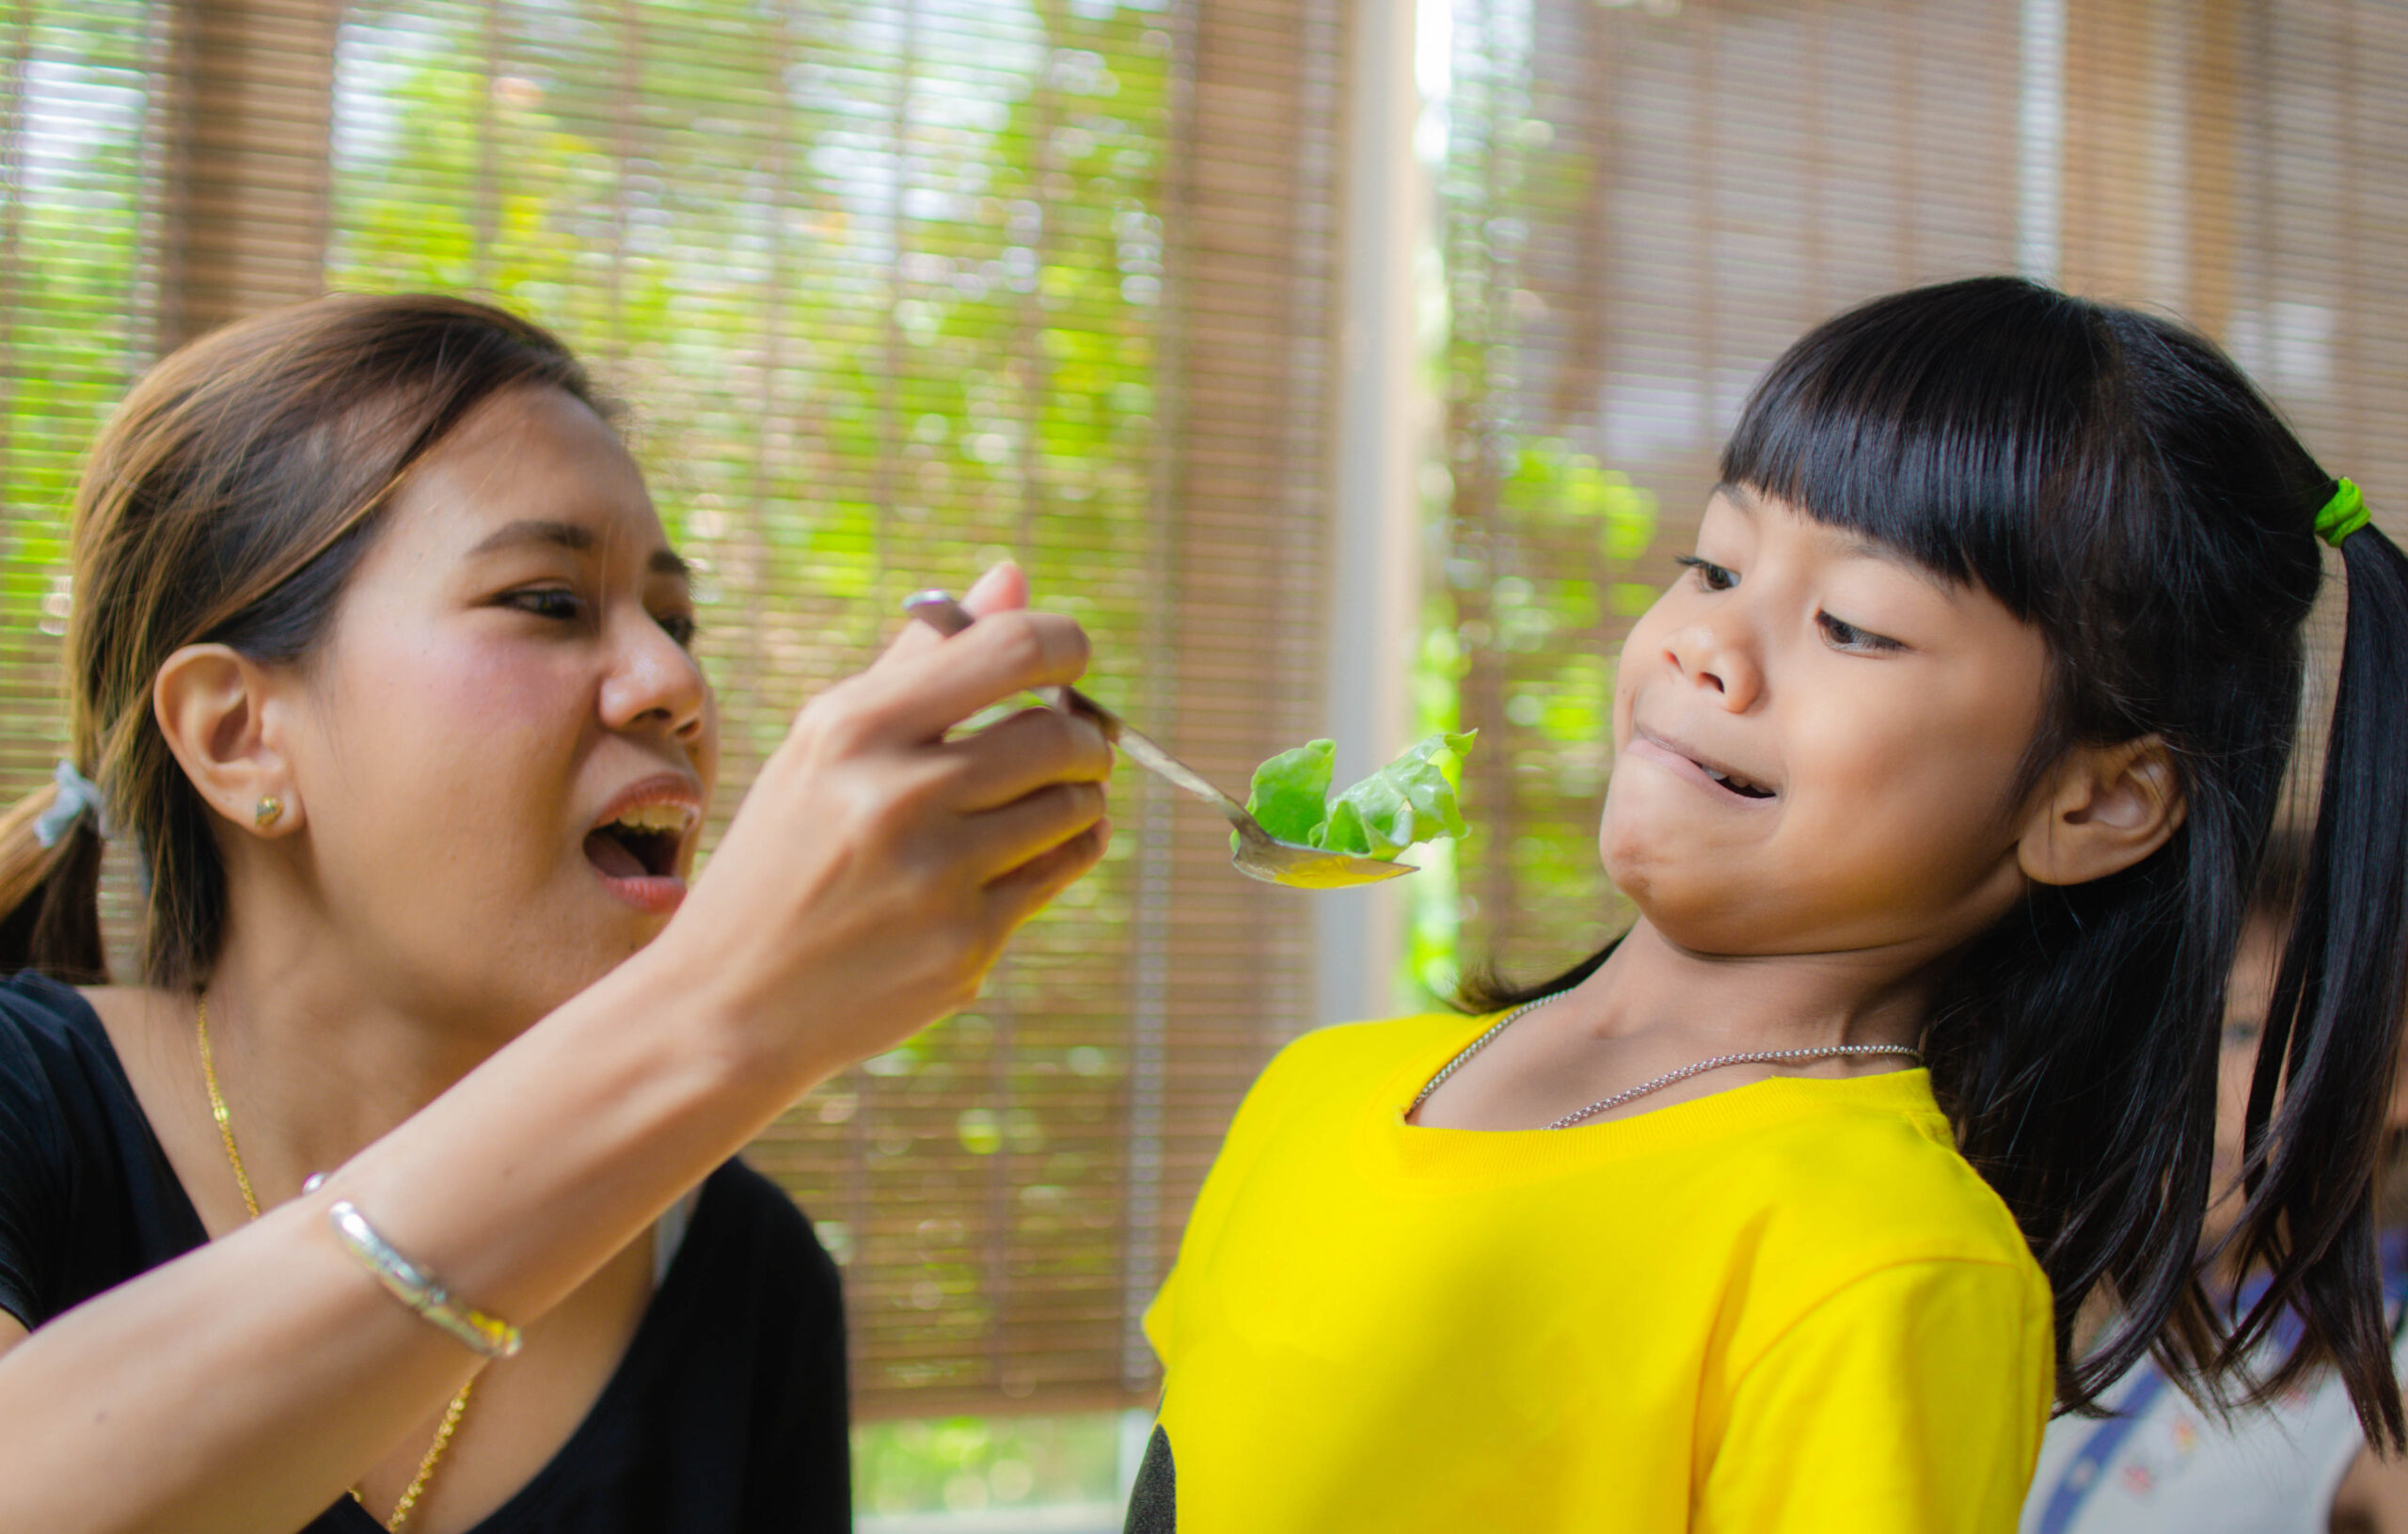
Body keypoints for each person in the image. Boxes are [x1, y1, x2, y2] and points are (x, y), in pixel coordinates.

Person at [1127, 277, 2408, 1533]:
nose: (1705, 642)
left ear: (2096, 801)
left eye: (1852, 624)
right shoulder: (1316, 1087)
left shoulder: (1885, 1260)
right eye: (1713, 564)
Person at [0, 293, 1114, 1534]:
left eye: (677, 623)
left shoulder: (747, 1274)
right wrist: (714, 1011)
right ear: (240, 734)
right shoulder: (25, 1101)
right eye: (547, 600)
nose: (676, 682)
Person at [2023, 836, 2408, 1533]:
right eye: (2171, 1038)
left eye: (2237, 1030)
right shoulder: (2144, 1310)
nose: (2183, 1083)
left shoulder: (2380, 1360)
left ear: (2393, 1076)